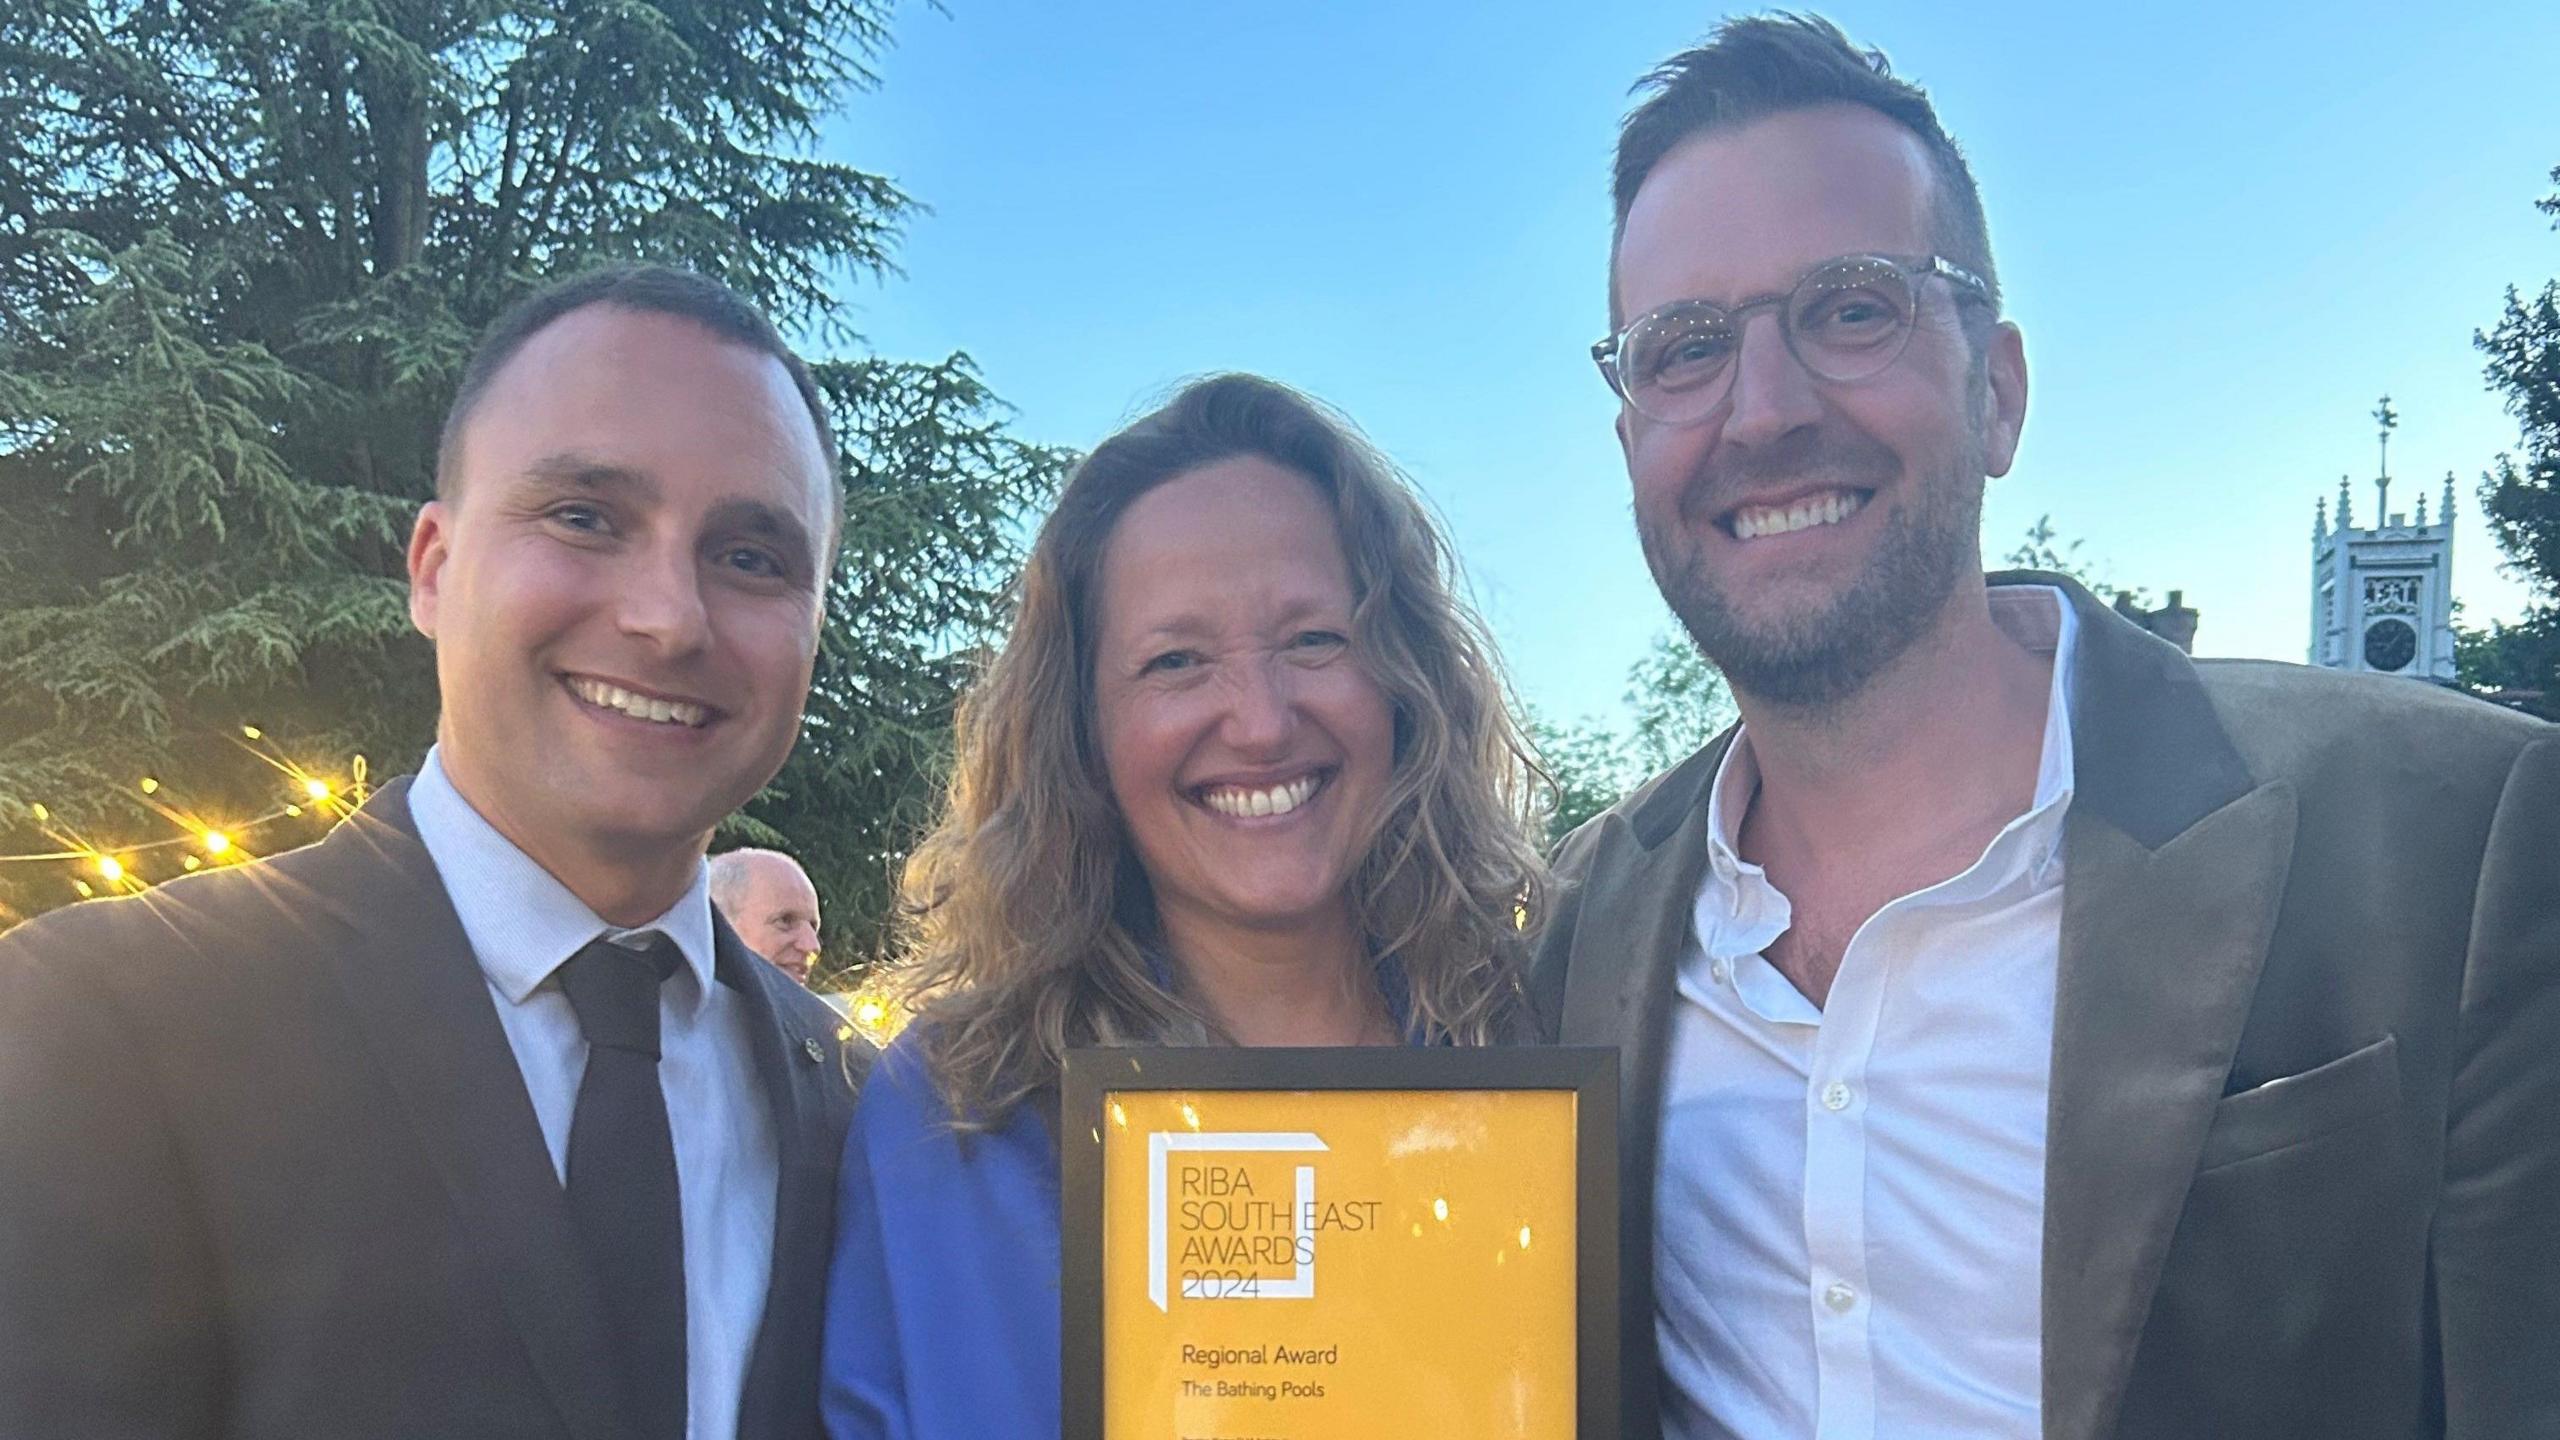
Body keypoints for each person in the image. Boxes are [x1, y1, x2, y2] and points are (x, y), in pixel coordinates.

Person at [1533, 15, 2559, 1440]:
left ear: (1997, 392)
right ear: (1632, 437)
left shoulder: (2451, 839)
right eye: (1685, 349)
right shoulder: (1578, 927)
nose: (1760, 413)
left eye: (1850, 308)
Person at [0, 263, 872, 1440]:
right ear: (433, 567)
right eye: (584, 517)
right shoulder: (99, 1024)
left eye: (753, 556)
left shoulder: (846, 1101)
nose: (670, 616)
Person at [819, 373, 1547, 1438]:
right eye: (1175, 661)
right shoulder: (953, 1122)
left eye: (1313, 640)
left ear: (1406, 682)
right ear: (1084, 734)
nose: (1257, 722)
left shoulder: (1535, 1052)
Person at [712, 847, 825, 987]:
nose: (812, 946)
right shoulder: (679, 1005)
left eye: (813, 927)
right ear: (718, 924)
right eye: (786, 920)